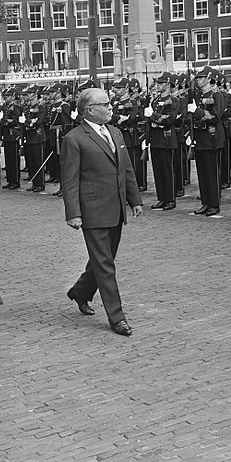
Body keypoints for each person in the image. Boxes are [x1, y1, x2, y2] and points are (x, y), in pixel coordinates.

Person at [61, 88, 143, 337]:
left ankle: (80, 291)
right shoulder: (74, 139)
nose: (110, 108)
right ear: (89, 110)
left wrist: (134, 200)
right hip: (93, 210)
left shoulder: (115, 132)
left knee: (104, 259)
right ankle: (117, 317)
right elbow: (70, 180)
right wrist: (73, 213)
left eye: (110, 103)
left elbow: (125, 169)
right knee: (105, 264)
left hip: (116, 207)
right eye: (105, 104)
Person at [189, 66, 225, 217]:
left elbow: (215, 117)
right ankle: (205, 202)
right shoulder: (197, 96)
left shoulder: (217, 96)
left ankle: (214, 204)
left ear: (209, 79)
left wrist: (197, 112)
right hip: (200, 137)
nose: (198, 80)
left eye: (201, 78)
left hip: (212, 138)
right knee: (202, 173)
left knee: (212, 173)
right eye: (197, 78)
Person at [147, 72, 179, 210]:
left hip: (166, 139)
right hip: (156, 138)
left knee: (167, 170)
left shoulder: (174, 100)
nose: (157, 85)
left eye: (160, 83)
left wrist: (154, 116)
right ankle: (162, 197)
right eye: (157, 83)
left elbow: (170, 120)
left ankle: (170, 198)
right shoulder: (155, 101)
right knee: (157, 170)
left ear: (167, 84)